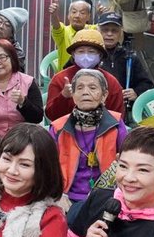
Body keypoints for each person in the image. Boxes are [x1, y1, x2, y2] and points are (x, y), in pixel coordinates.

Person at [51, 68, 127, 207]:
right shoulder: (58, 127)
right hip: (66, 198)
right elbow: (47, 166)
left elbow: (127, 160)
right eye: (80, 88)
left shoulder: (116, 124)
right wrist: (57, 195)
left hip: (107, 197)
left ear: (104, 95)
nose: (85, 92)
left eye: (92, 87)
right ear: (73, 95)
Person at [44, 28, 124, 123]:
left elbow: (118, 117)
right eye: (81, 51)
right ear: (73, 54)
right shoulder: (60, 79)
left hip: (103, 130)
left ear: (100, 55)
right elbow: (51, 115)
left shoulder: (111, 82)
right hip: (65, 130)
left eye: (91, 52)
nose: (86, 56)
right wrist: (63, 96)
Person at [94, 11, 153, 113]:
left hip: (120, 109)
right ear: (98, 31)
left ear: (120, 33)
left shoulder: (129, 57)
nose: (109, 34)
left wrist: (136, 92)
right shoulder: (89, 54)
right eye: (105, 30)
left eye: (114, 31)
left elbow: (147, 84)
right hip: (94, 106)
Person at [47, 0, 92, 72]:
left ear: (88, 17)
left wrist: (102, 15)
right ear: (68, 15)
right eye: (74, 12)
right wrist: (54, 15)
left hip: (89, 74)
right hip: (66, 74)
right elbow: (56, 26)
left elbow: (103, 29)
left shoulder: (93, 30)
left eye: (82, 13)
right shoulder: (64, 31)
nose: (77, 16)